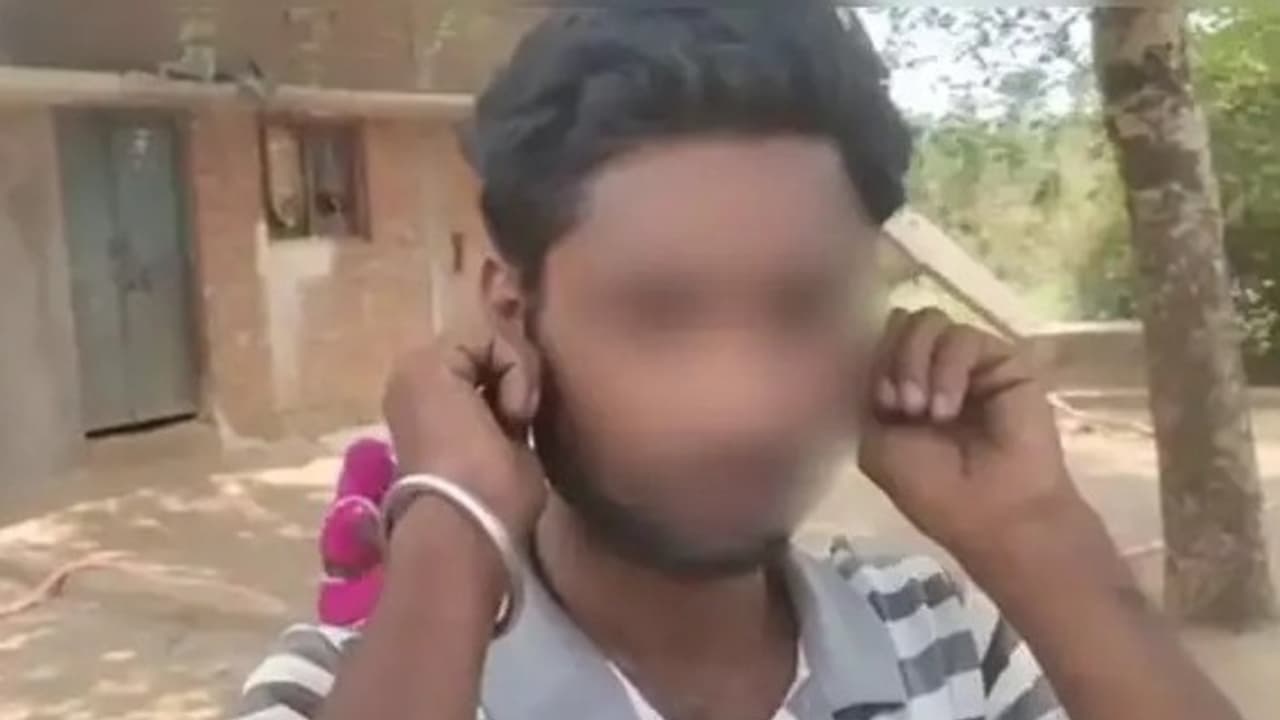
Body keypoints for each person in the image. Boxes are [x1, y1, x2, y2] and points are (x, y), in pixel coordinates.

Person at [235, 4, 1241, 720]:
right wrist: (453, 520)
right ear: (512, 313)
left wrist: (1035, 534)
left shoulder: (938, 642)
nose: (744, 408)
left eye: (806, 307)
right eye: (655, 313)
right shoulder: (358, 678)